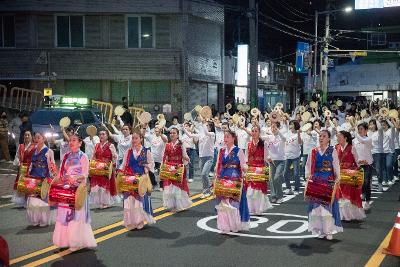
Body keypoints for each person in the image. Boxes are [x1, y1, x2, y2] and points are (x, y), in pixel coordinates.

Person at [52, 132, 96, 251]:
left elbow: (85, 175)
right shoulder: (66, 156)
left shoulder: (83, 156)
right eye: (70, 140)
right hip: (66, 190)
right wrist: (56, 173)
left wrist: (75, 178)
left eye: (74, 140)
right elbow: (61, 173)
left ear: (80, 143)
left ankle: (77, 241)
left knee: (77, 216)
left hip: (78, 190)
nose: (71, 142)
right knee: (65, 215)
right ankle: (66, 240)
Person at [305, 130, 342, 240]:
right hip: (316, 182)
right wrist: (308, 178)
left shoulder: (332, 151)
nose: (321, 138)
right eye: (320, 136)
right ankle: (320, 230)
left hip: (328, 182)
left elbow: (336, 166)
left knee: (327, 209)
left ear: (329, 139)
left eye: (324, 136)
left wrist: (338, 178)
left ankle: (328, 230)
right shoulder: (313, 151)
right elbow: (308, 166)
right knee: (317, 209)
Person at [118, 130, 156, 230]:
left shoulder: (145, 151)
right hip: (129, 179)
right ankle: (130, 222)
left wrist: (146, 166)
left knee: (139, 202)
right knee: (129, 202)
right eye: (133, 138)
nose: (134, 140)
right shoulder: (128, 151)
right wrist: (120, 172)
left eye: (136, 138)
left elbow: (152, 164)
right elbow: (124, 164)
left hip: (141, 180)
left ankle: (139, 221)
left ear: (141, 139)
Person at [215, 130, 250, 233]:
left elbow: (244, 165)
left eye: (227, 137)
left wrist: (245, 168)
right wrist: (216, 178)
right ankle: (225, 225)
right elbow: (218, 165)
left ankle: (234, 225)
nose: (225, 139)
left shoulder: (238, 150)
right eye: (224, 137)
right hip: (223, 178)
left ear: (233, 138)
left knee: (233, 203)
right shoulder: (221, 151)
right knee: (224, 203)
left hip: (235, 179)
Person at [26, 132, 56, 226]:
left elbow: (53, 166)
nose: (36, 139)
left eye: (39, 138)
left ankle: (43, 220)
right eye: (35, 138)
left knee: (42, 201)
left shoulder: (49, 151)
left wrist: (52, 178)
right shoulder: (33, 151)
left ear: (43, 139)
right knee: (33, 201)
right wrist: (27, 175)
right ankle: (35, 219)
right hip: (34, 179)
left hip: (44, 180)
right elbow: (31, 165)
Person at [335, 131, 366, 221]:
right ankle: (342, 215)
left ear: (345, 138)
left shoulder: (352, 148)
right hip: (339, 174)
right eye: (337, 137)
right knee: (339, 194)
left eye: (340, 136)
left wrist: (356, 170)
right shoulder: (336, 147)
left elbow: (357, 161)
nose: (338, 138)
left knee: (349, 195)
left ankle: (350, 215)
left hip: (349, 174)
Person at [162, 127, 192, 211]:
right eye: (171, 133)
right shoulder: (167, 144)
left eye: (174, 133)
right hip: (169, 167)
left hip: (178, 167)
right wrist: (163, 166)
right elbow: (165, 156)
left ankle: (179, 205)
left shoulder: (181, 144)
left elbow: (184, 155)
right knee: (170, 187)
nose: (172, 134)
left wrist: (187, 160)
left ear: (178, 135)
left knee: (177, 187)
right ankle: (172, 205)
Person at [183, 120, 215, 198]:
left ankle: (207, 190)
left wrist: (203, 122)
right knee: (203, 175)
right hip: (201, 157)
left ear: (210, 128)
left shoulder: (212, 134)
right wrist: (183, 128)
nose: (205, 127)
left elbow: (206, 132)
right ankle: (206, 190)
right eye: (206, 125)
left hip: (209, 157)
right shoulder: (200, 135)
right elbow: (190, 135)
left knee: (204, 174)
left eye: (207, 126)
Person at [245, 125, 272, 214]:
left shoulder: (263, 143)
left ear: (259, 133)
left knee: (259, 191)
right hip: (251, 169)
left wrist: (268, 163)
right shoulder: (248, 144)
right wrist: (245, 169)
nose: (254, 133)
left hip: (260, 169)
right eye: (252, 131)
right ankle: (250, 208)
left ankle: (259, 209)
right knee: (250, 191)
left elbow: (266, 156)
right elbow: (246, 158)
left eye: (256, 131)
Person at [90, 129, 118, 209]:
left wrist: (113, 166)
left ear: (107, 136)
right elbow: (94, 156)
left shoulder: (110, 145)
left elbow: (114, 156)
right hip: (97, 168)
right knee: (98, 186)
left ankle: (105, 202)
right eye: (100, 134)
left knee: (105, 185)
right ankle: (100, 201)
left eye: (103, 134)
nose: (101, 136)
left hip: (106, 168)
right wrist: (93, 165)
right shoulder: (97, 145)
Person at [264, 121, 286, 204]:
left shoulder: (281, 136)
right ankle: (273, 196)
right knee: (272, 179)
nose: (273, 129)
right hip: (271, 161)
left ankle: (280, 196)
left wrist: (278, 131)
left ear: (278, 128)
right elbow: (259, 137)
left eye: (275, 127)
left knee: (277, 178)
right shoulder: (269, 137)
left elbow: (284, 139)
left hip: (281, 160)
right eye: (272, 127)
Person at [353, 122, 373, 211]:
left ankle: (367, 201)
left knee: (366, 182)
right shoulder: (354, 141)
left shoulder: (368, 139)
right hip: (358, 165)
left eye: (361, 129)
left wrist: (355, 132)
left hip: (367, 164)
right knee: (358, 183)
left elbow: (362, 141)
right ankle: (359, 199)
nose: (360, 131)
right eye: (359, 129)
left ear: (366, 131)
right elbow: (353, 153)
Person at [12, 130, 35, 207]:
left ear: (31, 137)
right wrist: (19, 163)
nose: (27, 136)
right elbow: (17, 156)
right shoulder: (21, 146)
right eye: (25, 135)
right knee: (21, 184)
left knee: (28, 185)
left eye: (28, 135)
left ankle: (28, 201)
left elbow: (35, 158)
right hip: (22, 168)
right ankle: (21, 201)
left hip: (30, 168)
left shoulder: (34, 146)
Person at [283, 120, 302, 195]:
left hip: (295, 156)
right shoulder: (287, 133)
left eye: (291, 124)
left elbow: (300, 143)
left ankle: (296, 189)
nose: (290, 125)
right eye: (290, 124)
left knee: (296, 173)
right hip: (287, 156)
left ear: (295, 125)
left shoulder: (299, 133)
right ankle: (288, 188)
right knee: (285, 173)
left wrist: (298, 134)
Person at [148, 125, 168, 190]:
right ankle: (153, 183)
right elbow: (143, 134)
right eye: (156, 130)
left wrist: (160, 134)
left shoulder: (163, 136)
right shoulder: (151, 137)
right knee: (150, 171)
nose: (157, 132)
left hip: (161, 157)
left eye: (158, 130)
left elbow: (165, 140)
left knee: (161, 172)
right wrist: (144, 126)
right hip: (153, 157)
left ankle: (161, 186)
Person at [368, 119, 384, 191]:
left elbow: (380, 127)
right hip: (369, 153)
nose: (371, 126)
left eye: (372, 124)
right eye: (370, 124)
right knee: (369, 170)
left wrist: (376, 119)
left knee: (378, 169)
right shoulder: (368, 133)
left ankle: (380, 184)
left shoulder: (379, 132)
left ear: (375, 125)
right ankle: (370, 185)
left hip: (378, 153)